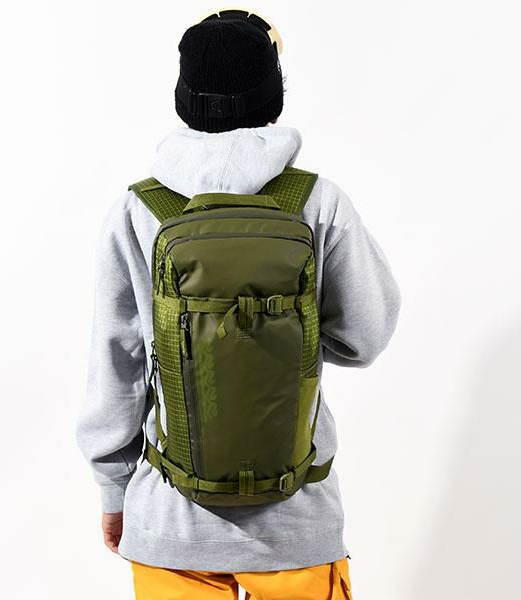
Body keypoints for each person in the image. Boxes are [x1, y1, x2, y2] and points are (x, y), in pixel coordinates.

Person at [76, 9, 401, 599]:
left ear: (183, 98)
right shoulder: (319, 201)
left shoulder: (136, 210)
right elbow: (367, 334)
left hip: (171, 522)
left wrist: (112, 489)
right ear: (274, 97)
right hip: (296, 522)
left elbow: (116, 367)